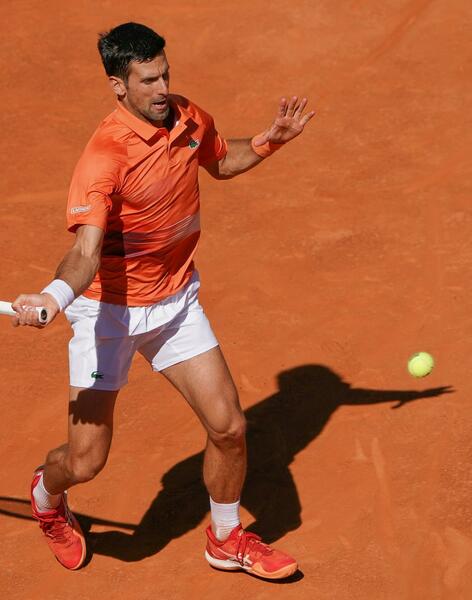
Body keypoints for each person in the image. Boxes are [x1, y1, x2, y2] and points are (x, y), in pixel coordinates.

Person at [11, 21, 314, 580]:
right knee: (86, 460)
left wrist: (269, 140)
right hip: (108, 314)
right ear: (118, 86)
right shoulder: (104, 157)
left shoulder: (187, 117)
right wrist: (55, 295)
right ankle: (47, 496)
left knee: (229, 427)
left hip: (175, 303)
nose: (162, 90)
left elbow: (220, 160)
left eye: (165, 75)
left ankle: (225, 537)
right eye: (148, 81)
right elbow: (85, 252)